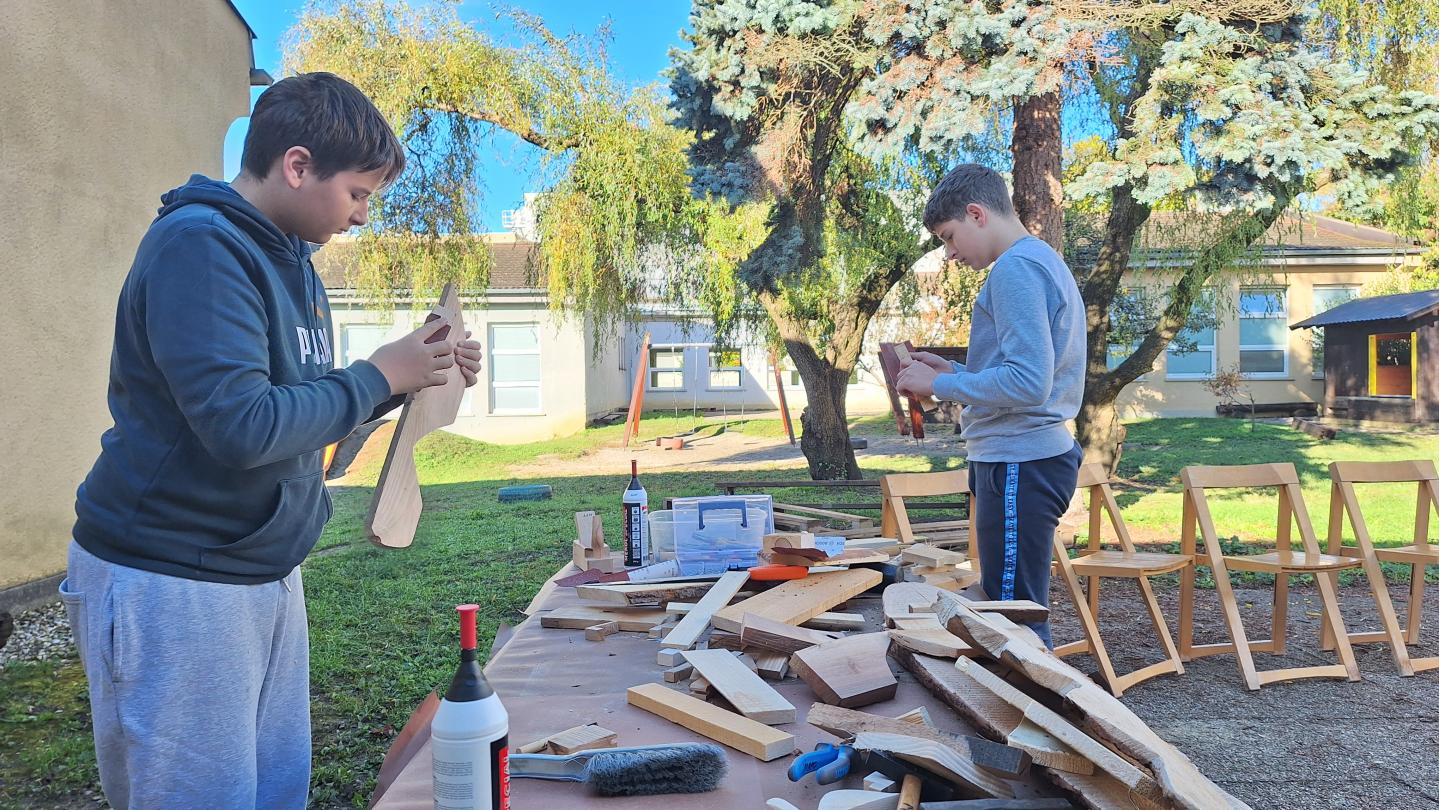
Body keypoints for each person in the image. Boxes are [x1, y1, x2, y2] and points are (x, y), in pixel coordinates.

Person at [60, 72, 483, 809]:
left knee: (272, 790)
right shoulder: (200, 248)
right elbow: (242, 427)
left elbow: (296, 418)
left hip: (257, 565)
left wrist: (412, 380)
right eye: (357, 193)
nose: (361, 216)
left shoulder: (292, 260)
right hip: (173, 575)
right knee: (199, 797)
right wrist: (378, 374)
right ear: (296, 165)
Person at [896, 164, 1086, 647]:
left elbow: (1027, 383)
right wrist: (951, 373)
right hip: (1020, 456)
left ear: (977, 213)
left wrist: (941, 389)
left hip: (1020, 459)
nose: (951, 253)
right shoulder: (1039, 261)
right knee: (1011, 603)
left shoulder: (1016, 270)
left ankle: (1028, 717)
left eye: (949, 236)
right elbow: (1021, 373)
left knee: (1013, 616)